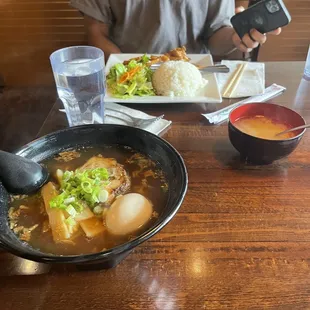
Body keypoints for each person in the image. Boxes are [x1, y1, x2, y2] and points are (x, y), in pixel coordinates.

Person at [70, 0, 281, 60]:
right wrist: (129, 71)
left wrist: (235, 37)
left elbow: (216, 39)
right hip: (126, 85)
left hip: (193, 82)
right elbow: (97, 33)